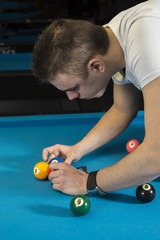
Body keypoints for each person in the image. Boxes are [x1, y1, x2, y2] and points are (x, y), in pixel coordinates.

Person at [32, 0, 160, 196]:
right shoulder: (115, 39)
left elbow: (156, 156)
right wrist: (78, 149)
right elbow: (123, 109)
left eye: (73, 88)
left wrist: (88, 181)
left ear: (97, 66)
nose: (70, 97)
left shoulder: (148, 44)